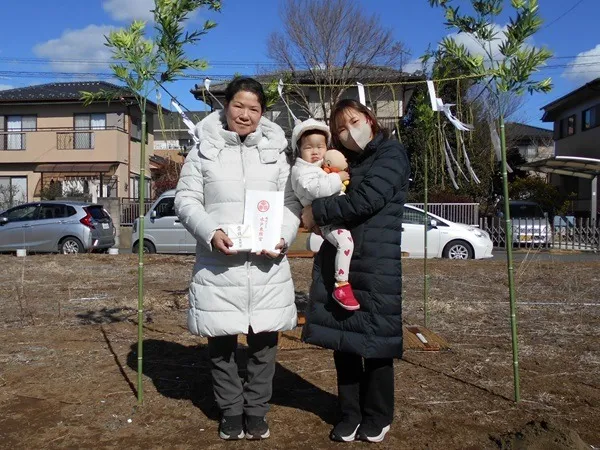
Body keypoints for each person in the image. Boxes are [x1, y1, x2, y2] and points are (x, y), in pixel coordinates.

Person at [175, 77, 301, 441]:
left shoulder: (277, 154)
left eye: (254, 109)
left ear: (263, 113)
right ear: (226, 106)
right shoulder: (203, 152)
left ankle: (257, 410)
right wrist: (210, 232)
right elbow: (186, 201)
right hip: (219, 265)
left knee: (264, 345)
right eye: (239, 106)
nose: (245, 115)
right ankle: (231, 410)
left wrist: (283, 235)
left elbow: (291, 202)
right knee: (221, 344)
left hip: (266, 264)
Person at [301, 99, 410, 443]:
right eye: (341, 129)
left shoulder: (391, 154)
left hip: (376, 261)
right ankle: (349, 413)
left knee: (376, 342)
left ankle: (378, 415)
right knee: (343, 339)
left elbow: (364, 201)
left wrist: (316, 212)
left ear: (369, 118)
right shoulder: (347, 163)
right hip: (341, 261)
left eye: (354, 121)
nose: (350, 131)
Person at [289, 118, 359, 311]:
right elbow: (316, 190)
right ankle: (342, 285)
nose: (315, 152)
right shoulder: (301, 171)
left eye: (320, 147)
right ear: (299, 150)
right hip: (325, 219)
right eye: (308, 147)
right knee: (346, 243)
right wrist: (339, 178)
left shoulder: (319, 166)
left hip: (332, 213)